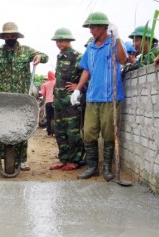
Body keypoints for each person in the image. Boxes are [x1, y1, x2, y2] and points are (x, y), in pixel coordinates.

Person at [0, 21, 49, 171]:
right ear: (4, 37)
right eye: (7, 35)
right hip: (3, 99)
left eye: (12, 35)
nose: (10, 37)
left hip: (21, 97)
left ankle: (22, 159)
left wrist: (39, 57)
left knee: (23, 127)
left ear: (16, 36)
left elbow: (45, 56)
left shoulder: (26, 51)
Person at [70, 12, 127, 181]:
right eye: (89, 27)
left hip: (110, 97)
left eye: (93, 27)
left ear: (104, 27)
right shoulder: (91, 48)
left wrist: (117, 37)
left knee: (109, 133)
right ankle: (93, 167)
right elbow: (87, 70)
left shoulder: (114, 43)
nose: (90, 31)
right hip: (92, 97)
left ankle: (107, 168)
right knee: (88, 133)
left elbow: (123, 60)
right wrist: (78, 89)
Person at [49, 28, 84, 171]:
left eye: (61, 40)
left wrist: (78, 86)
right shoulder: (59, 56)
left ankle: (75, 161)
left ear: (69, 41)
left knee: (72, 132)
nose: (59, 43)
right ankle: (64, 159)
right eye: (57, 41)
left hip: (71, 103)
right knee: (60, 132)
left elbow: (88, 75)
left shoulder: (78, 56)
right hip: (59, 102)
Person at [40, 71, 56, 137]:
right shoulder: (56, 82)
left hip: (48, 103)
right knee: (56, 117)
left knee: (49, 118)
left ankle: (49, 133)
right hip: (55, 102)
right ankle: (56, 132)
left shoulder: (45, 84)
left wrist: (41, 87)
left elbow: (43, 94)